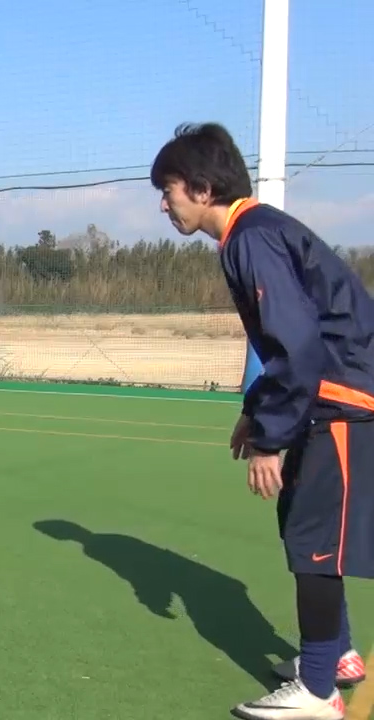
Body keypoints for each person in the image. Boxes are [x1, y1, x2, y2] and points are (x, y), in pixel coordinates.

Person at [150, 121, 374, 719]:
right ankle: (338, 656)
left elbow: (298, 346)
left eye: (168, 191)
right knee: (302, 528)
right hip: (325, 398)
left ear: (201, 188)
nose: (164, 205)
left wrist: (271, 441)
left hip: (341, 401)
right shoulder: (250, 234)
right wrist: (255, 412)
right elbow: (282, 342)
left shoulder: (253, 237)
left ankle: (319, 692)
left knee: (315, 540)